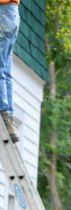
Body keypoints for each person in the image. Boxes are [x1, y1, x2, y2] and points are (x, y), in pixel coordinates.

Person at [0, 0, 20, 142]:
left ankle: (5, 111)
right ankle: (10, 120)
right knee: (5, 70)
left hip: (3, 11)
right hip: (12, 13)